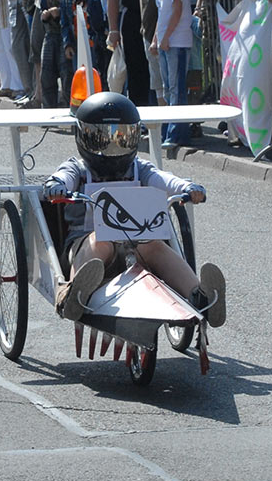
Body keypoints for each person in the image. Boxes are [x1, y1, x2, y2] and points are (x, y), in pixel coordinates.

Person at [43, 91, 225, 324]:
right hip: (85, 245)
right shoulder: (77, 168)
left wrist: (188, 187)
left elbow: (164, 179)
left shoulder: (140, 168)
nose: (111, 149)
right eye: (101, 140)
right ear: (82, 136)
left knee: (153, 244)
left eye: (121, 139)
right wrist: (56, 185)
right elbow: (62, 177)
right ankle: (72, 294)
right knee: (102, 240)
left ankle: (200, 298)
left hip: (135, 243)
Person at [149, 0, 194, 148]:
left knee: (176, 87)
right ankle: (170, 129)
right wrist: (156, 38)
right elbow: (162, 14)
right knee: (168, 88)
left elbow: (177, 10)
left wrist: (166, 37)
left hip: (176, 40)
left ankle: (178, 134)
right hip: (166, 40)